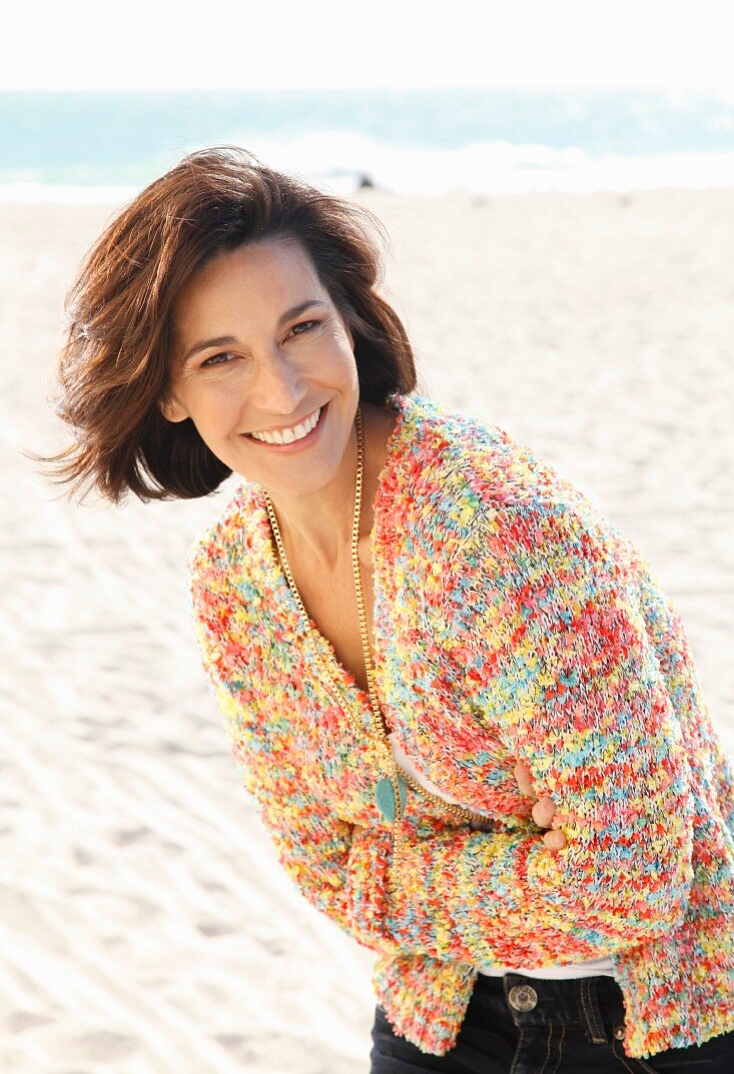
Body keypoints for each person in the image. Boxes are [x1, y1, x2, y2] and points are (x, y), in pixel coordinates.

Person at [44, 145, 734, 1072]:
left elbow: (637, 874)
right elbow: (320, 864)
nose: (283, 391)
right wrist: (435, 893)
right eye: (220, 356)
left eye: (302, 329)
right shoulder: (236, 584)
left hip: (665, 1015)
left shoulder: (495, 533)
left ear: (350, 323)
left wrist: (397, 886)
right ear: (166, 390)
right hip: (441, 1007)